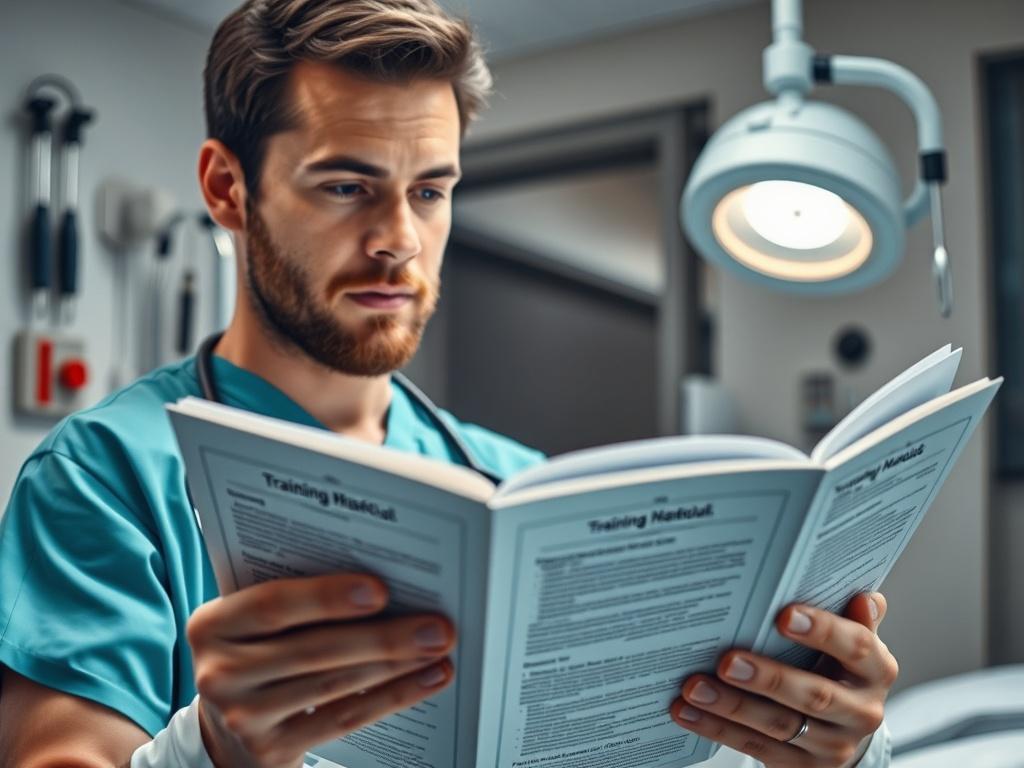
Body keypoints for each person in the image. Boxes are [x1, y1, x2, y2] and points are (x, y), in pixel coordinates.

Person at [0, 1, 898, 766]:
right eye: (348, 187)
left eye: (430, 192)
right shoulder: (107, 475)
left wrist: (826, 739)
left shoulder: (519, 485)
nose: (399, 239)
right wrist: (215, 749)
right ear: (228, 189)